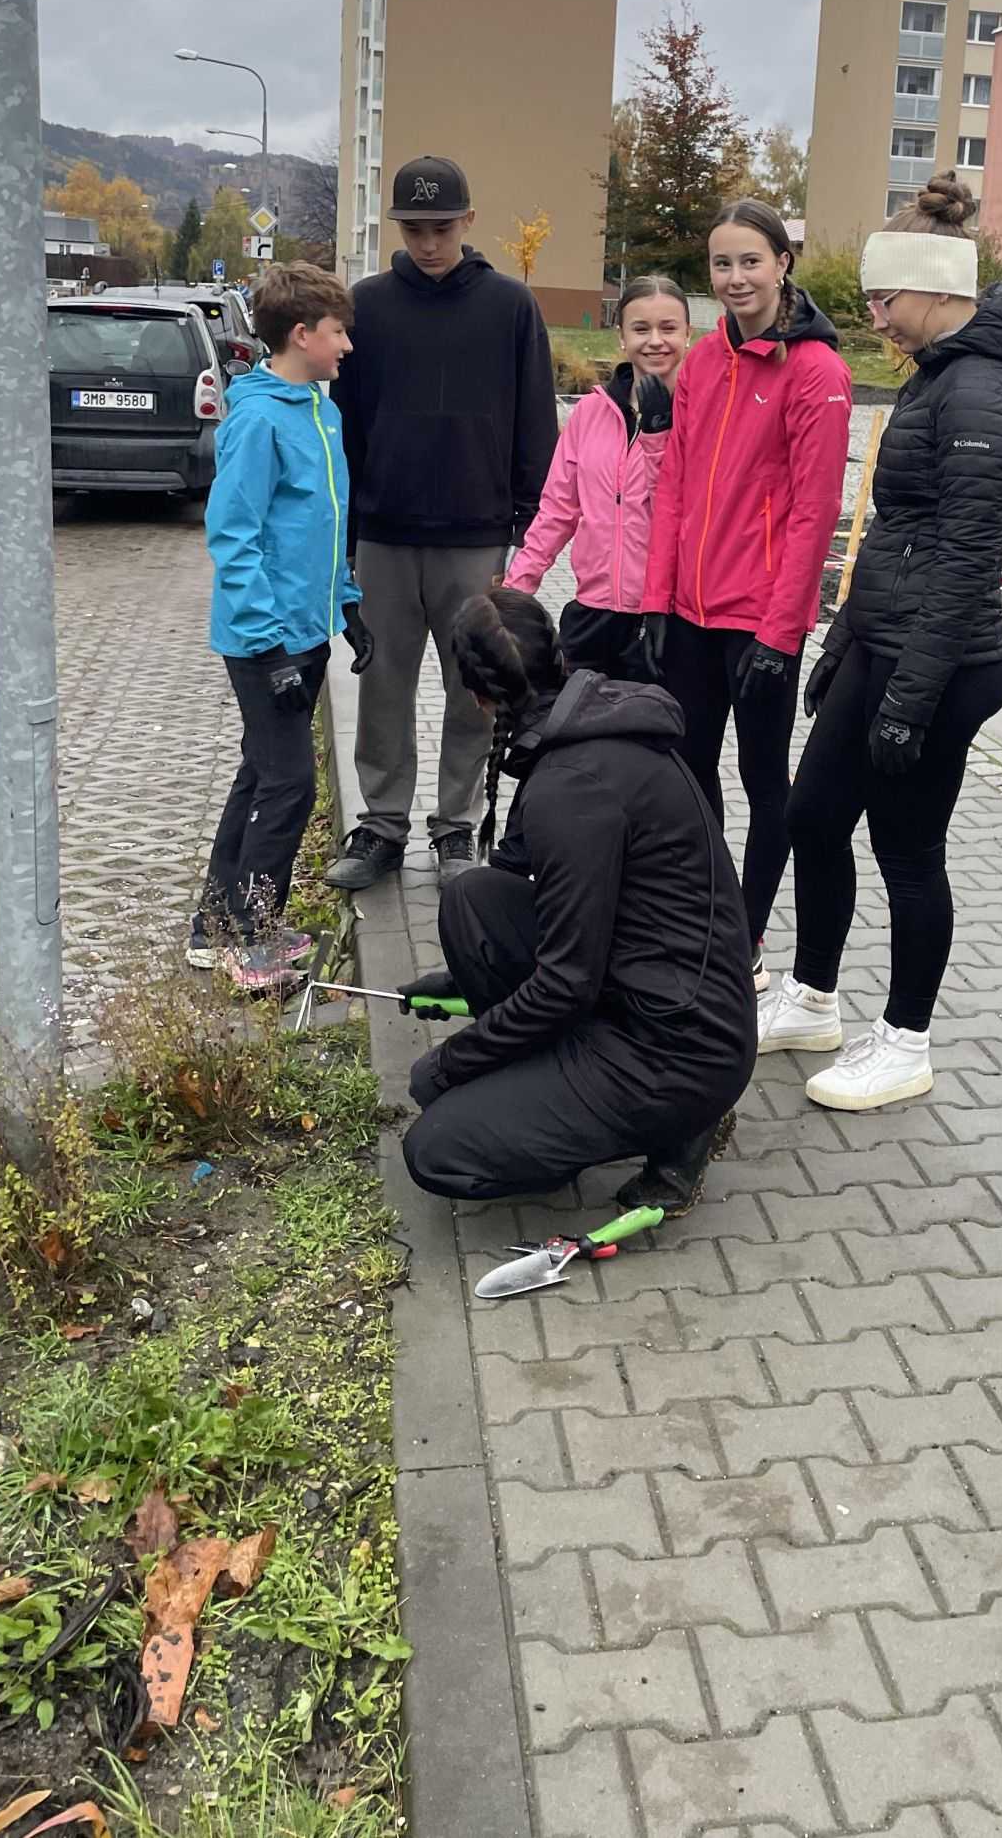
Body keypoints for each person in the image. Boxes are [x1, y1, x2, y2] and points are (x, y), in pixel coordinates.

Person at [761, 174, 1002, 1108]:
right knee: (811, 816)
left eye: (885, 300)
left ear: (938, 289)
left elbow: (967, 562)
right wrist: (845, 639)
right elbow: (894, 534)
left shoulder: (984, 396)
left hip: (945, 663)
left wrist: (910, 695)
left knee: (907, 852)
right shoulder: (938, 379)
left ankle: (906, 1041)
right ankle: (810, 996)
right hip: (887, 645)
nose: (875, 317)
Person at [401, 590, 756, 1215]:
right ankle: (551, 1090)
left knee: (436, 1147)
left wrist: (452, 1063)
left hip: (679, 1047)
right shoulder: (576, 724)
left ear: (479, 695)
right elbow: (513, 881)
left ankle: (679, 1128)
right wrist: (459, 979)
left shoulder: (573, 786)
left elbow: (567, 981)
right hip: (646, 989)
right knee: (471, 898)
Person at [326, 156, 559, 893]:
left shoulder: (509, 306)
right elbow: (347, 428)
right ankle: (382, 826)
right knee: (383, 685)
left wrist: (525, 523)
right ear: (398, 227)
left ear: (468, 221)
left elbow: (534, 417)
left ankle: (457, 827)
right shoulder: (367, 306)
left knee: (474, 689)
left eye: (441, 226)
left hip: (476, 534)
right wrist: (348, 537)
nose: (428, 242)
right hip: (385, 535)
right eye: (414, 228)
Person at [640, 199, 853, 985]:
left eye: (750, 262)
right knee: (690, 780)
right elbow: (675, 488)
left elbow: (813, 510)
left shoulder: (816, 371)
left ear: (782, 264)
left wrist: (781, 629)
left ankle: (748, 941)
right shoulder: (699, 361)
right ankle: (703, 915)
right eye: (722, 264)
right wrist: (656, 602)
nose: (735, 279)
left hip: (759, 620)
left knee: (767, 783)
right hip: (689, 613)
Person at [199, 262, 374, 992]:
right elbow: (233, 536)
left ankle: (212, 929)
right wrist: (268, 642)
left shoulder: (317, 410)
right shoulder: (258, 419)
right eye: (339, 332)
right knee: (291, 786)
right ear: (302, 335)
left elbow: (323, 525)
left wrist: (348, 603)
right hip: (263, 642)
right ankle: (251, 943)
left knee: (259, 774)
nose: (347, 347)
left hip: (306, 633)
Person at [505, 276, 690, 676]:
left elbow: (684, 514)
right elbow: (557, 510)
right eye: (641, 329)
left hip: (665, 617)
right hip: (593, 613)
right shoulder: (591, 412)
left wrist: (659, 436)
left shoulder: (701, 415)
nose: (655, 340)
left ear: (688, 334)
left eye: (668, 328)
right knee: (576, 731)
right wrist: (516, 589)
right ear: (621, 337)